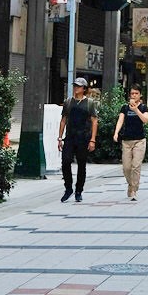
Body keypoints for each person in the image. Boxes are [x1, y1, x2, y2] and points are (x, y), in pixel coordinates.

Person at [58, 74, 98, 203]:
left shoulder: (90, 103)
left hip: (83, 137)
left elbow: (94, 121)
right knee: (65, 162)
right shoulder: (68, 102)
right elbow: (63, 120)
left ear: (84, 88)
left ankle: (79, 190)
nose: (76, 88)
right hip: (69, 137)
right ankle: (68, 188)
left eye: (79, 86)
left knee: (81, 164)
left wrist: (92, 139)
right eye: (75, 86)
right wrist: (59, 138)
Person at [113, 85, 148, 200]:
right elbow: (120, 120)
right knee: (126, 168)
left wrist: (136, 110)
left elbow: (145, 120)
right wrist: (116, 132)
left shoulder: (143, 107)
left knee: (136, 166)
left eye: (136, 93)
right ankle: (131, 184)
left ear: (140, 95)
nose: (134, 95)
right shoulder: (124, 108)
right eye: (132, 93)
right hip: (126, 141)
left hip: (139, 140)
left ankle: (134, 189)